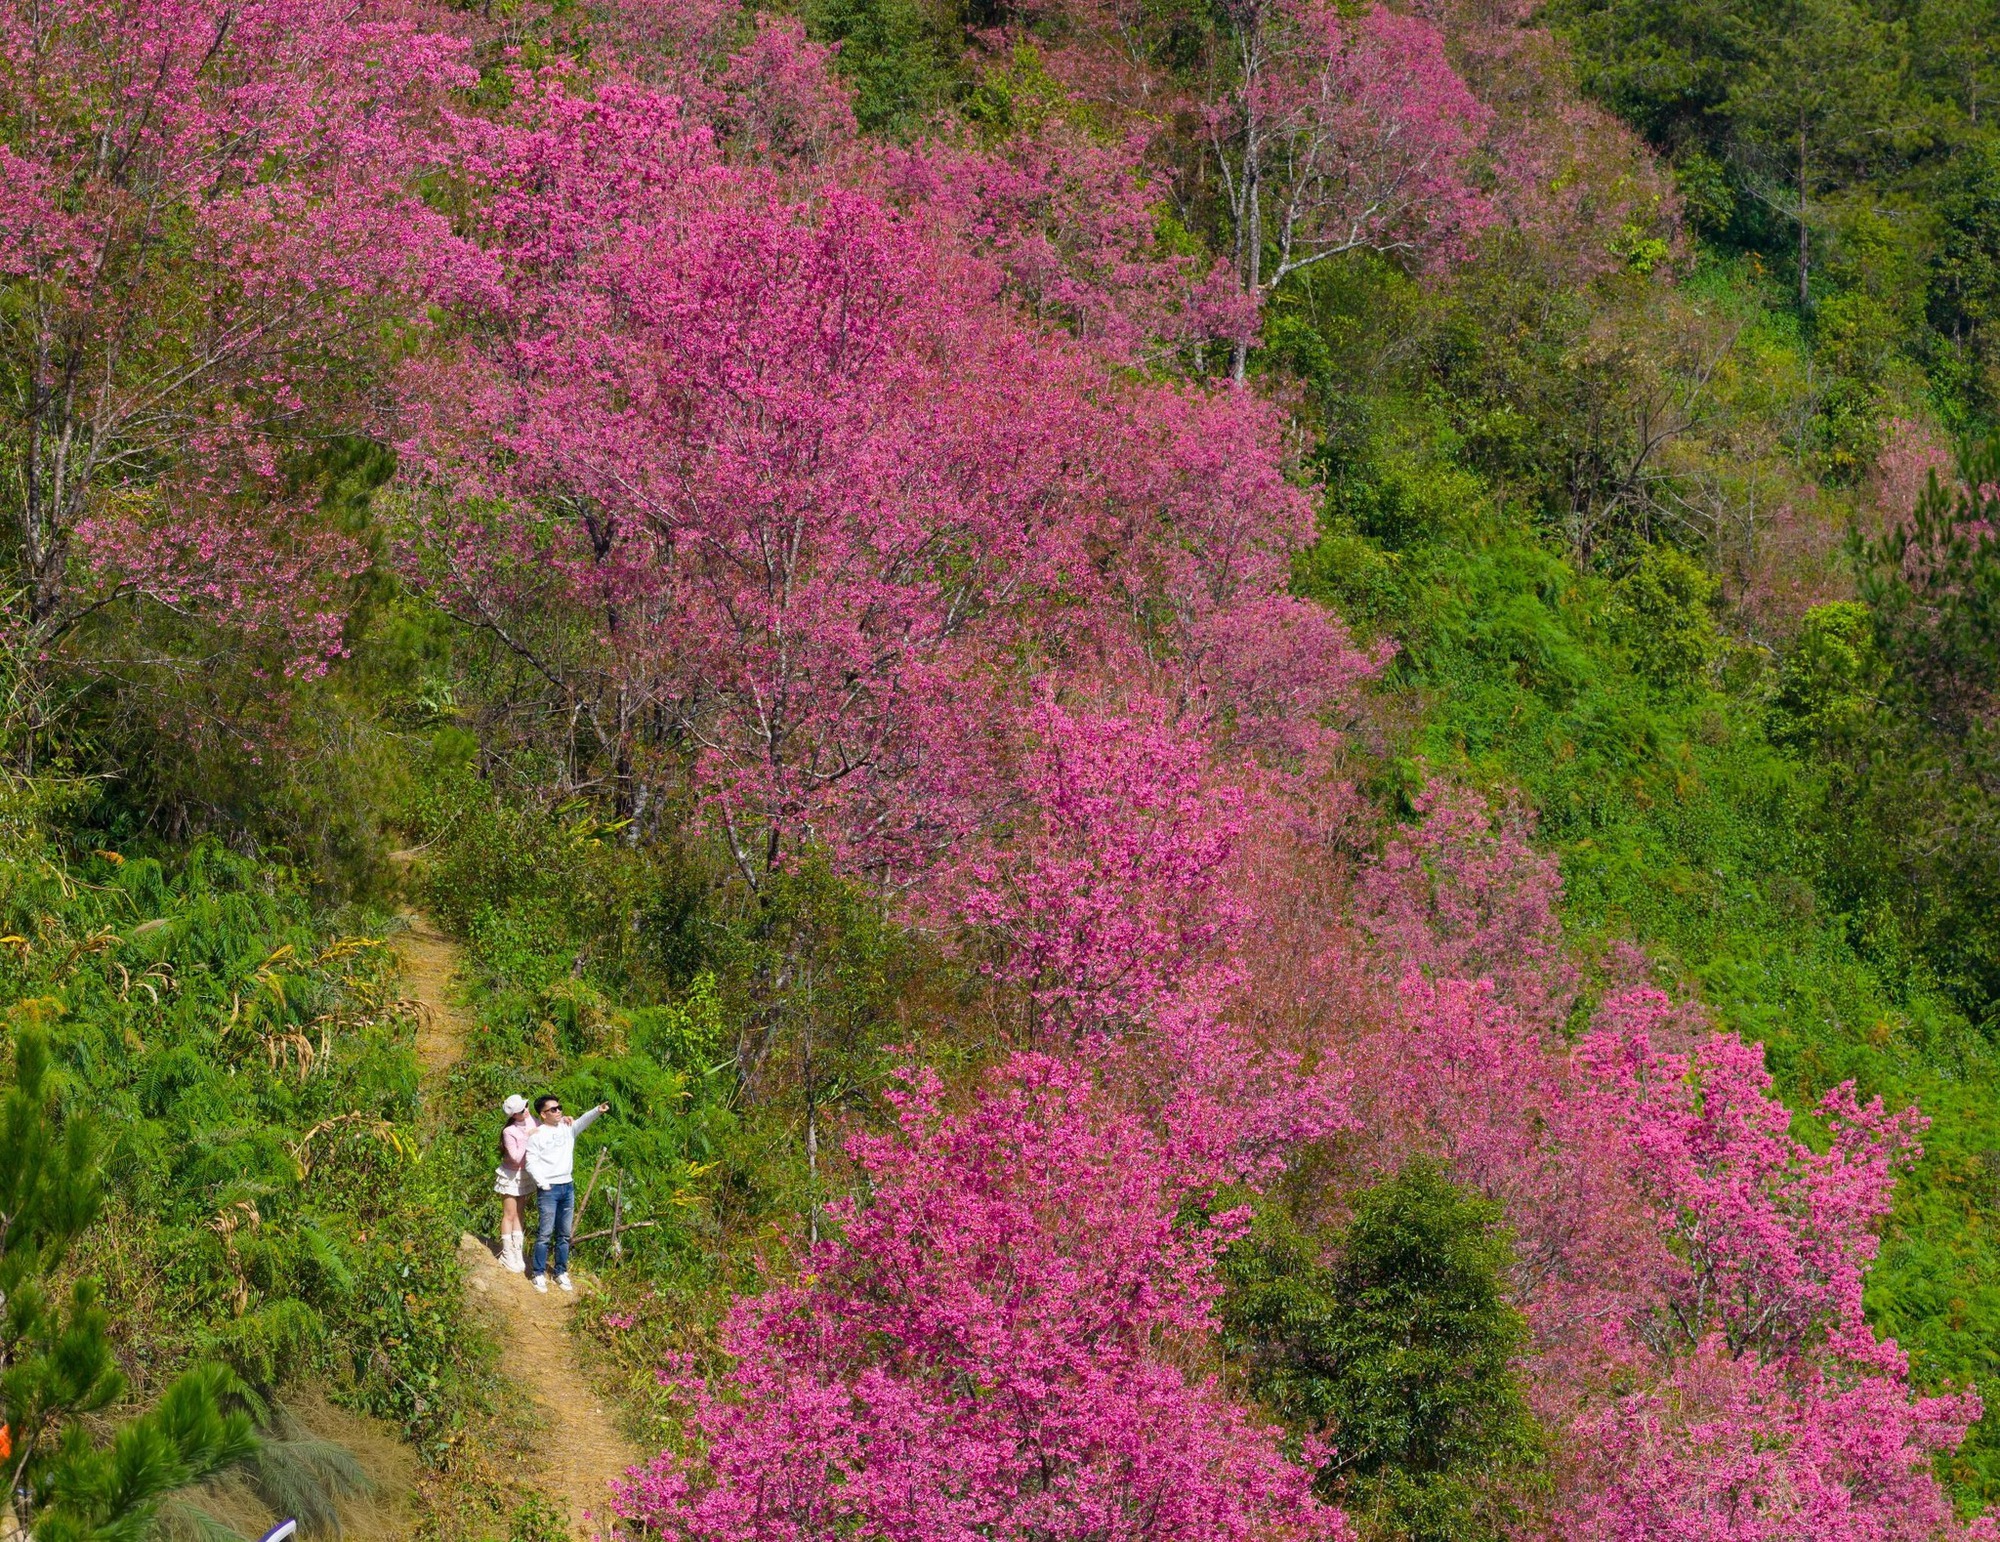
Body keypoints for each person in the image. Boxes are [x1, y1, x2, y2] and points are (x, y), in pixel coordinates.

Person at [525, 1093, 610, 1292]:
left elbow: (582, 1121)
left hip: (567, 1186)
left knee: (564, 1234)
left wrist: (597, 1110)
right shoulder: (536, 1135)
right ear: (543, 1114)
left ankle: (560, 1271)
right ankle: (538, 1272)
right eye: (553, 1109)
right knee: (545, 1233)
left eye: (559, 1107)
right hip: (549, 1189)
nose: (559, 1111)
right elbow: (530, 1161)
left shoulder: (567, 1128)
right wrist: (543, 1183)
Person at [494, 1094, 535, 1272]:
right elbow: (516, 1156)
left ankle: (517, 1250)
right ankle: (506, 1252)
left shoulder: (531, 1121)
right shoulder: (508, 1132)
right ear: (513, 1115)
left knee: (519, 1213)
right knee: (509, 1214)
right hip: (511, 1175)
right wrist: (528, 1135)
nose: (526, 1110)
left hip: (525, 1174)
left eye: (526, 1106)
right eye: (521, 1110)